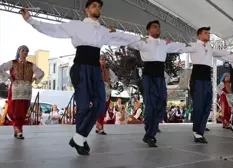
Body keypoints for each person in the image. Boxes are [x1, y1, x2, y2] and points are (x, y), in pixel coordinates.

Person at [21, 0, 144, 155]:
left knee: (100, 103)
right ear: (86, 10)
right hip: (81, 68)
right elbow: (54, 29)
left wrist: (140, 39)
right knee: (84, 107)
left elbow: (122, 38)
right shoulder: (76, 25)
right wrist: (31, 20)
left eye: (99, 6)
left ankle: (79, 137)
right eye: (94, 6)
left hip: (95, 70)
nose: (97, 8)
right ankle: (81, 141)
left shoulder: (103, 30)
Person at [128, 20, 189, 147]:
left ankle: (151, 132)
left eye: (159, 27)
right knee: (150, 105)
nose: (157, 29)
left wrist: (195, 46)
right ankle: (149, 134)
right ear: (148, 30)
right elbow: (127, 41)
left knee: (161, 104)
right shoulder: (143, 41)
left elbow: (181, 46)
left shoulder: (164, 43)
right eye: (155, 27)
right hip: (149, 76)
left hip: (160, 78)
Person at [179, 27, 233, 143]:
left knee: (207, 106)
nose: (208, 35)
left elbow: (220, 53)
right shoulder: (193, 45)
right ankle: (197, 132)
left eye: (209, 33)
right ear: (199, 35)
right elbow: (179, 47)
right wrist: (165, 44)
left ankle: (200, 132)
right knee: (199, 106)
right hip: (197, 79)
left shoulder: (210, 48)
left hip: (207, 80)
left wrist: (232, 53)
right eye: (206, 33)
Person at [0, 45, 44, 139]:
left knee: (23, 110)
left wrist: (34, 79)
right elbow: (1, 68)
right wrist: (9, 77)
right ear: (19, 51)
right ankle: (18, 129)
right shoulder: (13, 63)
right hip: (15, 90)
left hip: (26, 91)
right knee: (14, 110)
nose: (25, 52)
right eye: (23, 50)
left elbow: (41, 73)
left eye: (27, 51)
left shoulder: (31, 64)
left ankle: (18, 130)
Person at [95, 55, 118, 135]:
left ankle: (98, 127)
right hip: (99, 89)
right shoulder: (96, 69)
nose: (103, 60)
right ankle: (100, 128)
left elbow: (115, 78)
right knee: (100, 109)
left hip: (107, 89)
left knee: (104, 108)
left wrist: (111, 82)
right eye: (101, 59)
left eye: (104, 59)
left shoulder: (108, 69)